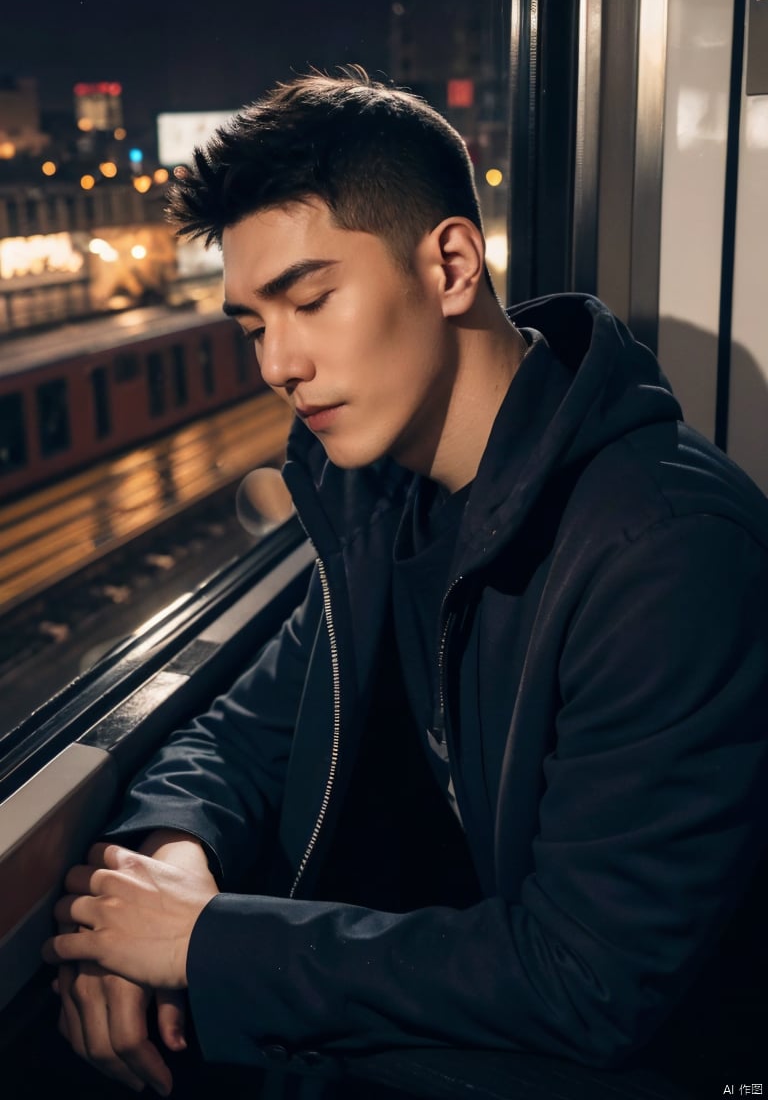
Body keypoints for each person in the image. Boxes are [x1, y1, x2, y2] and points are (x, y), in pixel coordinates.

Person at [44, 69, 768, 1097]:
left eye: (310, 299)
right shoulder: (386, 505)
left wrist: (205, 944)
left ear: (452, 264)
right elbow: (245, 732)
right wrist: (168, 859)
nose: (277, 365)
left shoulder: (669, 550)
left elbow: (590, 981)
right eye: (252, 325)